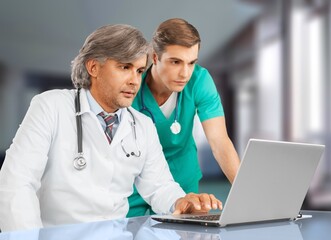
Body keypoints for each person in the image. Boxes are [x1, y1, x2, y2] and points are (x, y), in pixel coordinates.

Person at [0, 24, 222, 232]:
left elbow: (159, 186)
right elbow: (17, 183)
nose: (135, 80)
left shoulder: (142, 125)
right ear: (94, 67)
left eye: (139, 70)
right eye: (125, 67)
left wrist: (180, 201)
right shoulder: (51, 107)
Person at [129, 18, 241, 217]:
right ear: (154, 57)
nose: (185, 73)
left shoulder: (200, 80)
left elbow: (219, 142)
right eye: (175, 62)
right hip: (136, 183)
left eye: (191, 62)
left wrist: (245, 193)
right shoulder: (131, 86)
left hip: (183, 181)